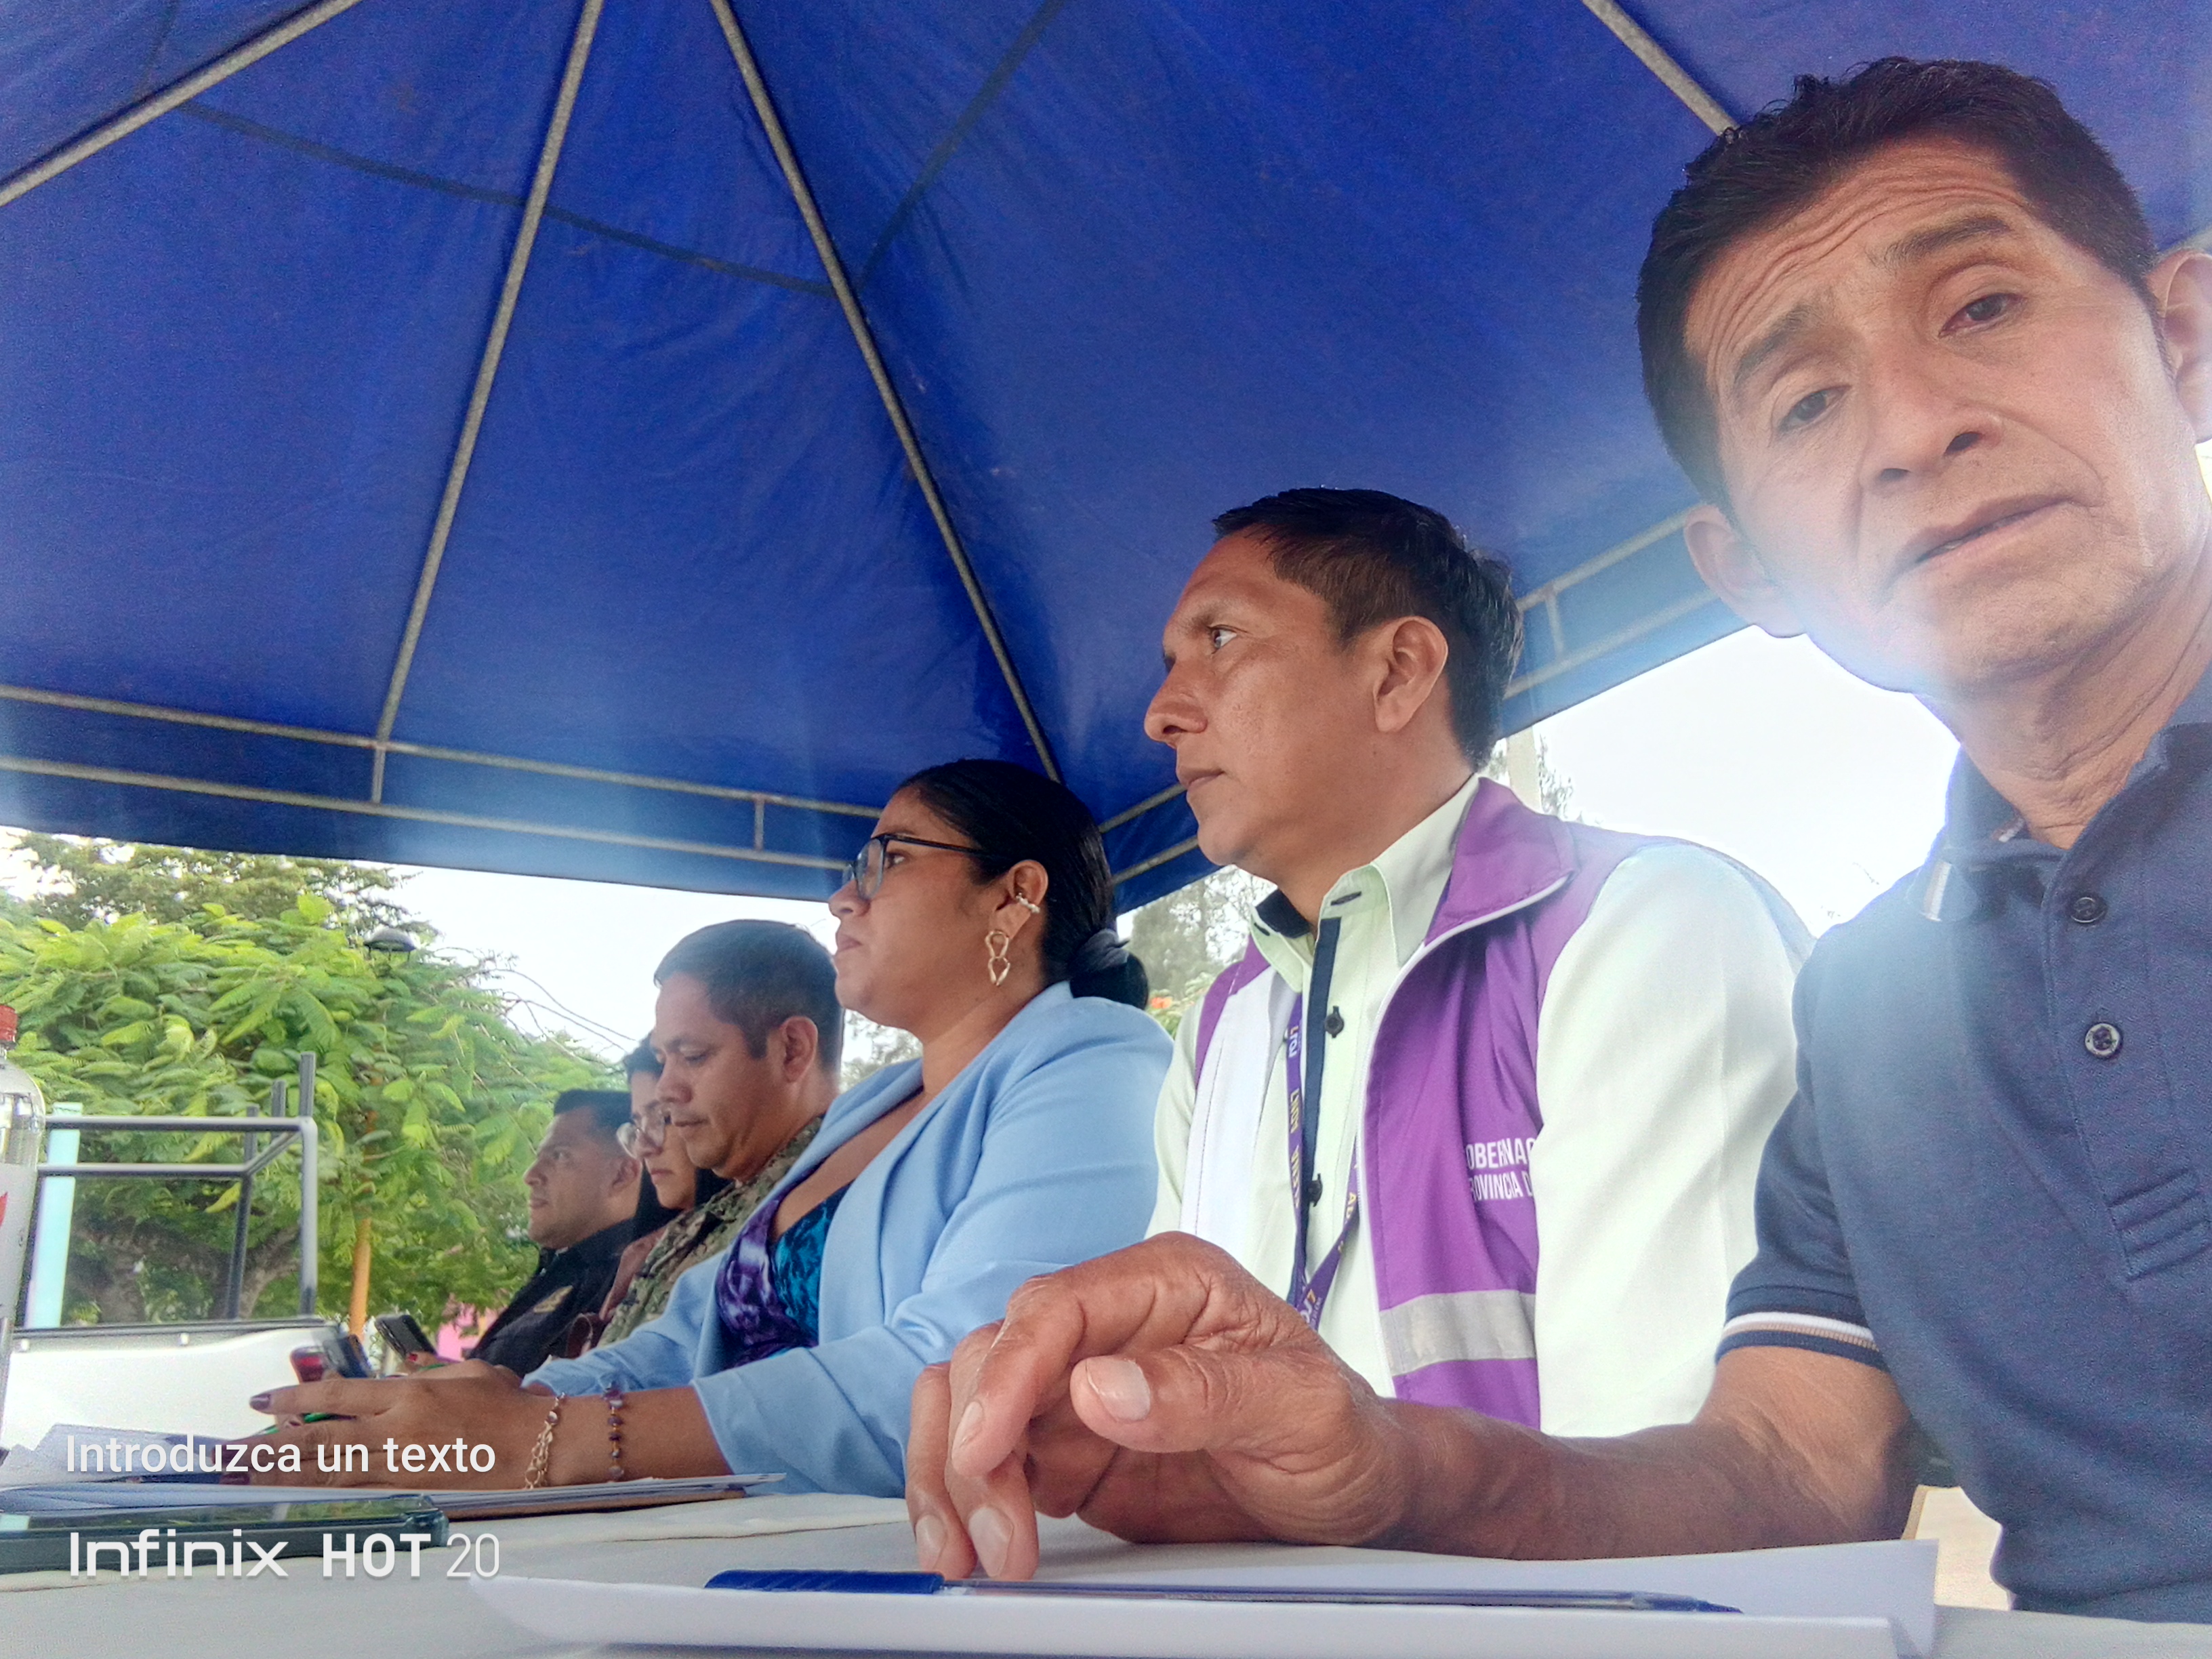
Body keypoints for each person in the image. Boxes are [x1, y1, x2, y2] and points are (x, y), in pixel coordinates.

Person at [905, 58, 2212, 1624]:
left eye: (1982, 307)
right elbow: (1789, 1470)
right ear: (1751, 574)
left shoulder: (1651, 927)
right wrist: (1385, 1467)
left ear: (2184, 339)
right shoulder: (1872, 1009)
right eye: (1807, 402)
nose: (1915, 429)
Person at [252, 760, 1168, 1497]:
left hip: (915, 1573)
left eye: (885, 859)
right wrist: (497, 1400)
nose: (843, 899)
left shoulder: (1090, 1055)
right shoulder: (876, 1104)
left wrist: (553, 1439)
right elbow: (687, 1334)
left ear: (1014, 895)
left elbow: (969, 1373)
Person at [1145, 487, 1805, 1434]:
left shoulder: (1644, 927)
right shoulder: (1219, 1027)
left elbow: (1668, 1475)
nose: (1161, 714)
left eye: (1220, 639)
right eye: (1171, 664)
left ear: (1399, 672)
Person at [594, 940, 831, 1348]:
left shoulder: (831, 1211)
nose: (666, 1089)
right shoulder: (707, 1219)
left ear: (792, 1050)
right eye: (663, 1060)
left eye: (693, 1056)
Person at [468, 1090, 640, 1376]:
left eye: (559, 1156)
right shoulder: (564, 1268)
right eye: (540, 1157)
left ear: (621, 1174)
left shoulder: (639, 1280)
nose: (531, 1175)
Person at [578, 1038, 729, 1351]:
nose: (644, 1147)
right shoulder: (646, 1251)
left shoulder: (747, 1243)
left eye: (662, 1117)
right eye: (637, 1125)